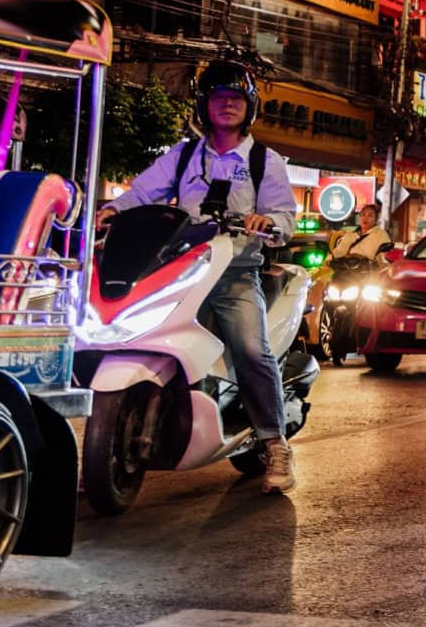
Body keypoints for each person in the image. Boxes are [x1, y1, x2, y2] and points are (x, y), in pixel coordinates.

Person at [97, 60, 301, 493]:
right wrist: (115, 210)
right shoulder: (183, 154)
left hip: (235, 272)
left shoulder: (265, 161)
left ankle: (274, 442)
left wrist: (267, 222)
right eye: (217, 98)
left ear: (250, 107)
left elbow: (285, 216)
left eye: (236, 99)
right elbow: (142, 194)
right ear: (203, 105)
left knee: (250, 347)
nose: (227, 106)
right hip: (179, 268)